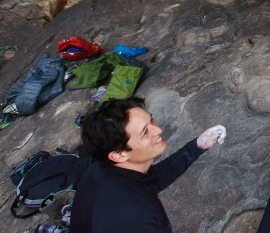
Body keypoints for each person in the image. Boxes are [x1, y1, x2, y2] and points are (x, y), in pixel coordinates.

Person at [71, 97, 226, 233]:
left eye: (151, 120)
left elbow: (153, 179)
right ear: (118, 155)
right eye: (145, 132)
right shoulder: (139, 219)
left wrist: (197, 146)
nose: (158, 130)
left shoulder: (102, 170)